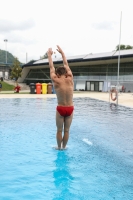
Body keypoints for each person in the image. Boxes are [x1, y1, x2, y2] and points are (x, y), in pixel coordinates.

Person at [47, 45, 74, 150]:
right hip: (70, 108)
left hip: (61, 108)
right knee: (66, 130)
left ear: (57, 74)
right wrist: (62, 53)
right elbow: (66, 65)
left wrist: (49, 55)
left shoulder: (55, 80)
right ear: (66, 73)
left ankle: (59, 148)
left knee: (59, 130)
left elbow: (51, 67)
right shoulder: (70, 78)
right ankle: (64, 147)